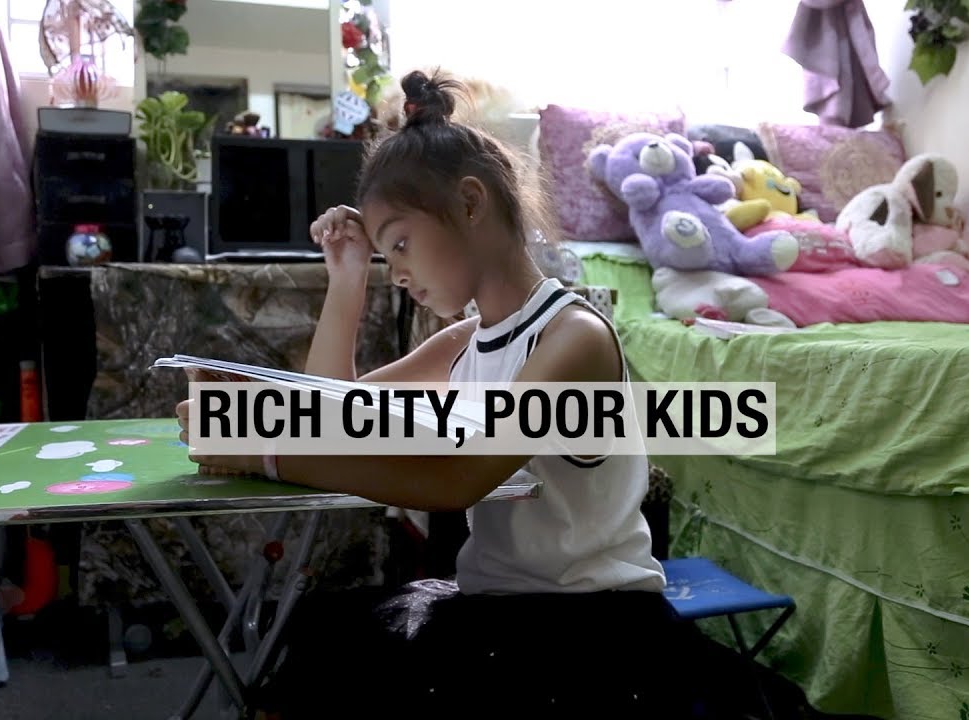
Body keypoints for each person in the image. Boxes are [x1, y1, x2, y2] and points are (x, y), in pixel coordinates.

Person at [176, 70, 705, 718]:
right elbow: (325, 412)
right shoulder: (464, 342)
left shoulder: (575, 340)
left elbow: (458, 478)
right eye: (386, 254)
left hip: (590, 629)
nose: (397, 271)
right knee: (318, 638)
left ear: (471, 204)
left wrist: (263, 453)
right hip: (502, 613)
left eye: (400, 243)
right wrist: (346, 283)